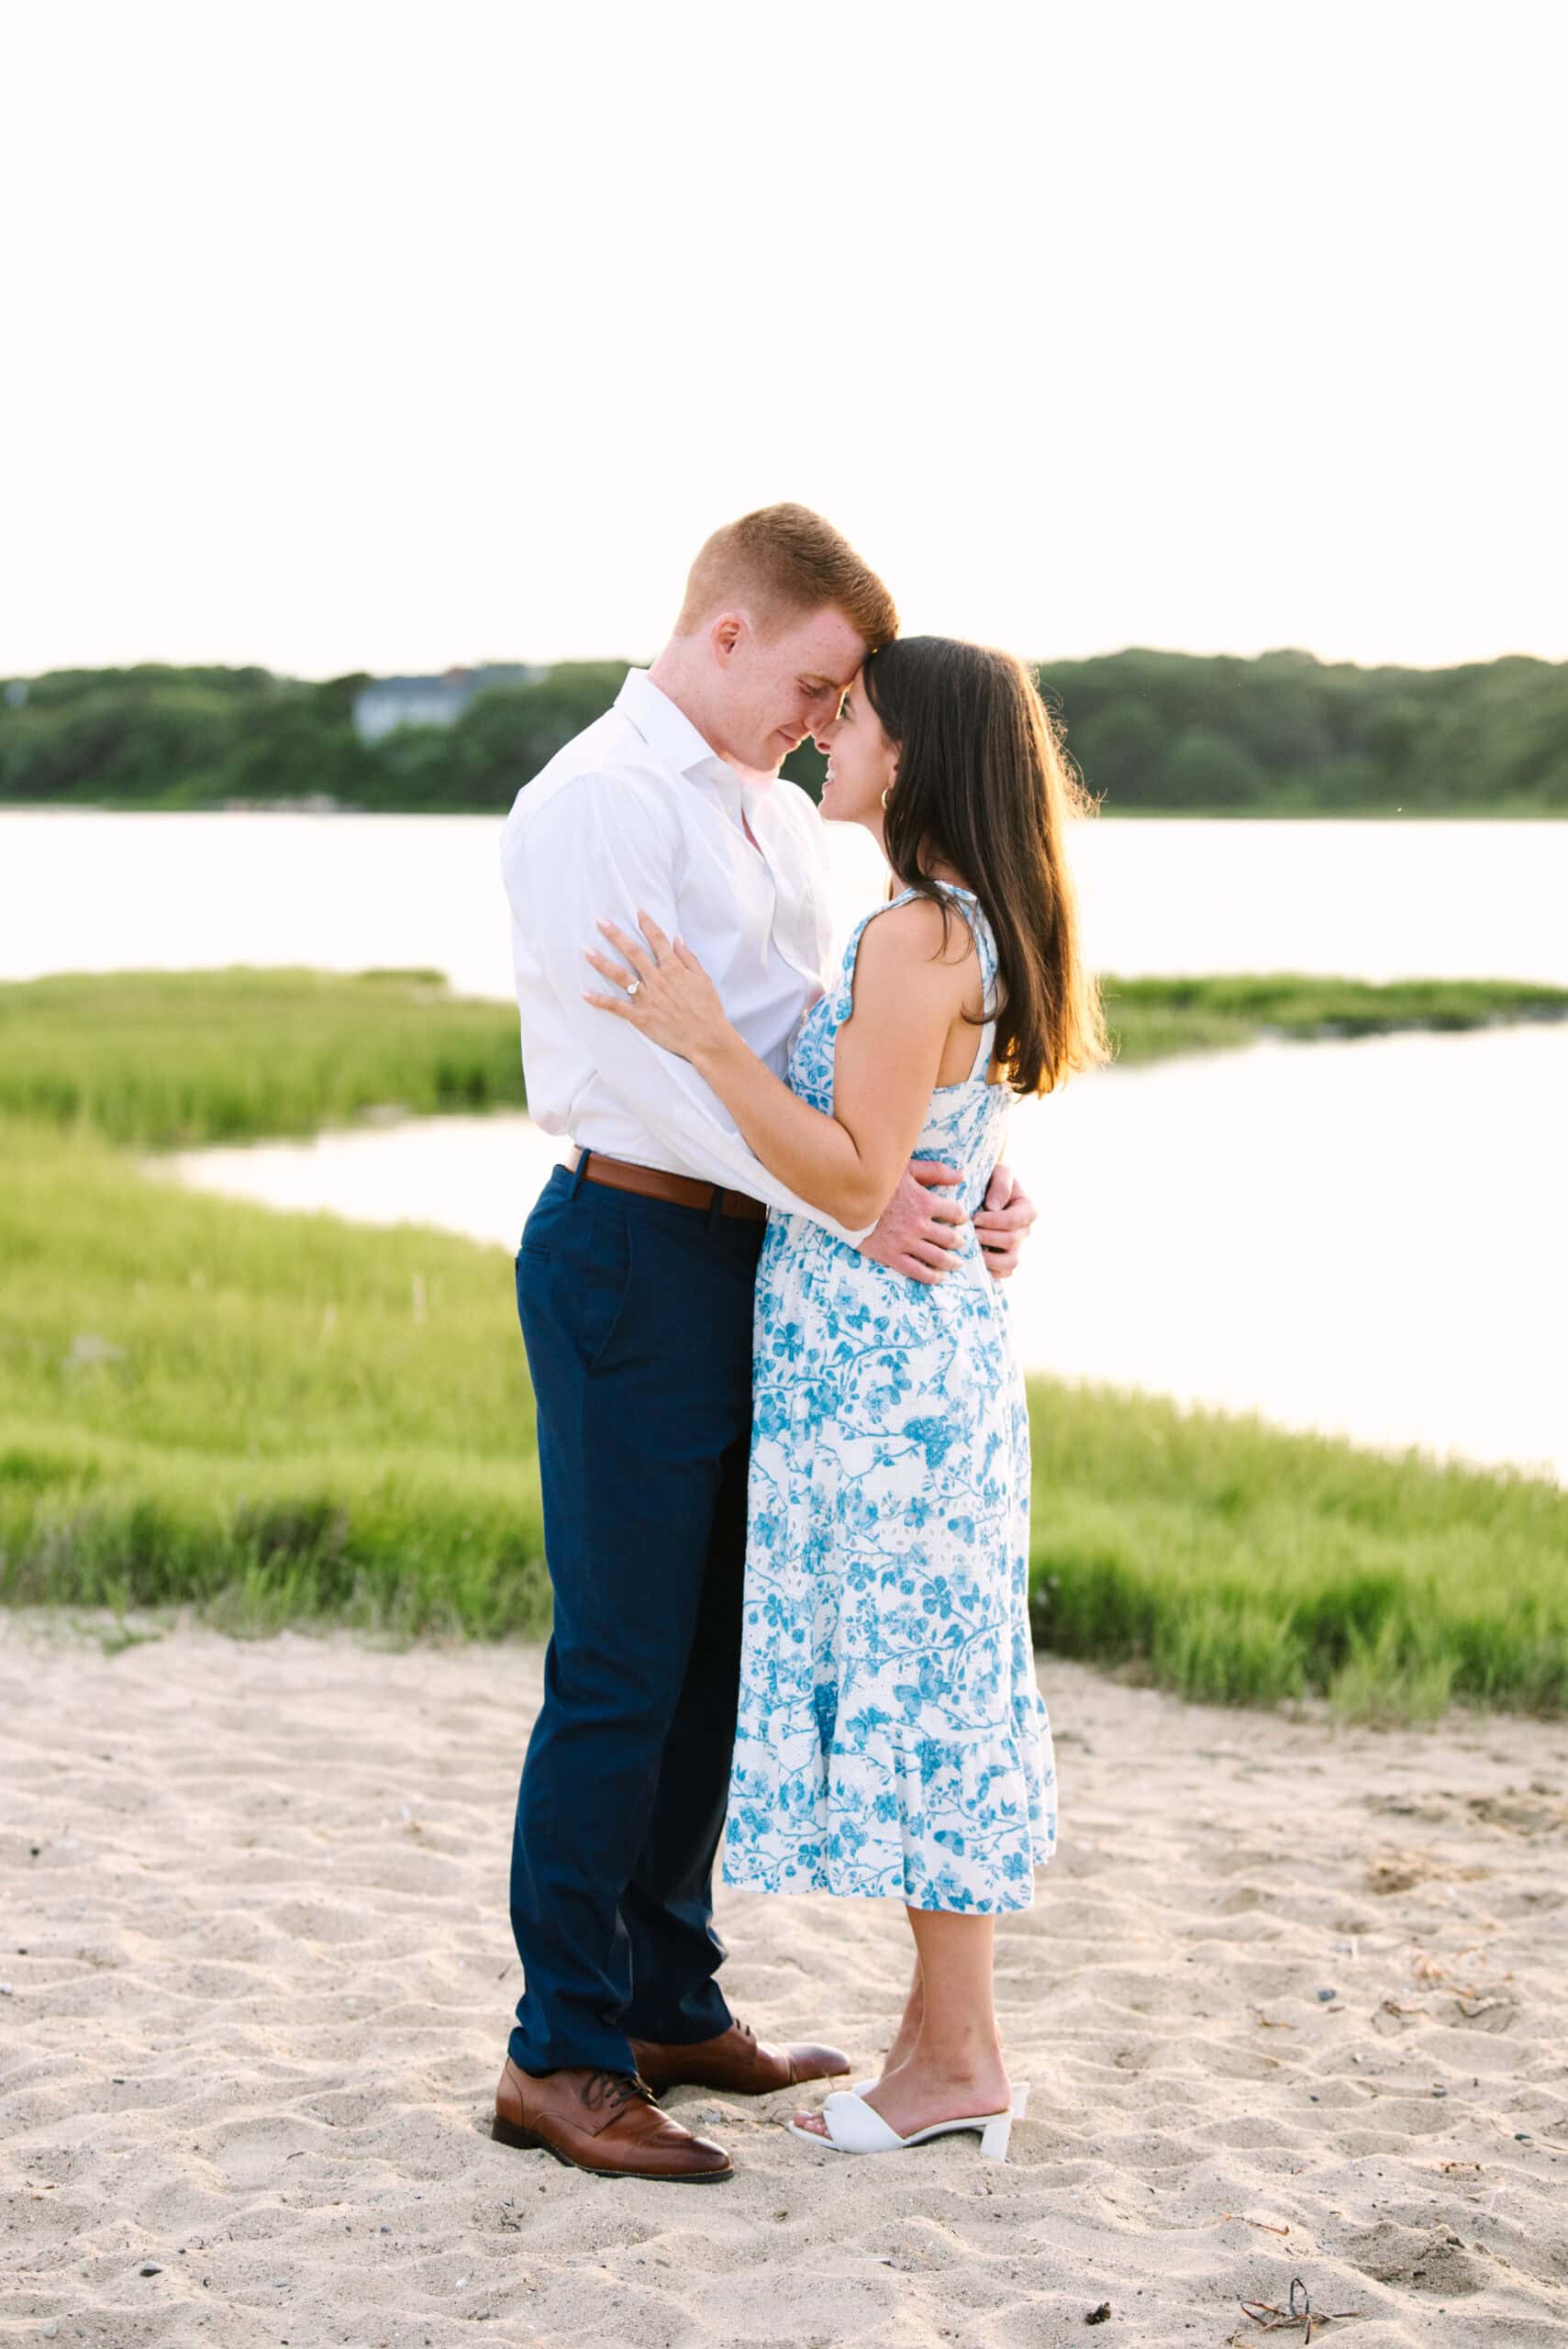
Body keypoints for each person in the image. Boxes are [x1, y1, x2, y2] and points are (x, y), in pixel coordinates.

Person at [494, 507, 1040, 2183]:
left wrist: (952, 1169)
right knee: (617, 1667)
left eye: (844, 704)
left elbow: (835, 1057)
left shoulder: (782, 831)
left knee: (711, 1664)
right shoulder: (595, 802)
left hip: (762, 1263)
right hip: (633, 1243)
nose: (823, 720)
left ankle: (670, 2001)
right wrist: (861, 1204)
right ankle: (560, 2053)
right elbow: (651, 1064)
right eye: (812, 683)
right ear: (726, 634)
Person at [584, 632, 1106, 2161]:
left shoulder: (910, 938)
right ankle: (944, 2048)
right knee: (933, 1677)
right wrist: (980, 1186)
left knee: (926, 1688)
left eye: (854, 717)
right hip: (906, 1360)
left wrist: (700, 1040)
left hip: (881, 1380)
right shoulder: (959, 924)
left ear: (918, 753)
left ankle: (955, 2061)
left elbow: (848, 1172)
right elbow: (927, 1142)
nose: (826, 738)